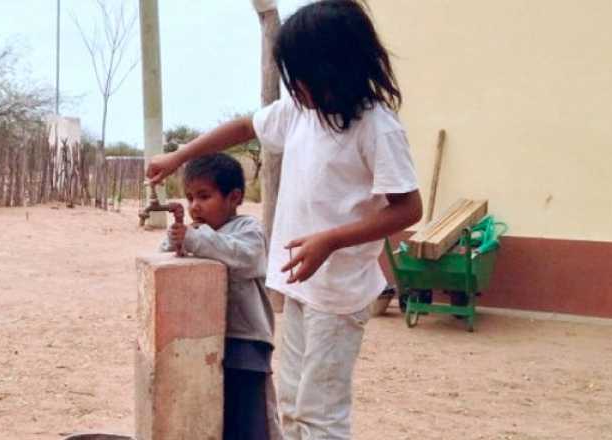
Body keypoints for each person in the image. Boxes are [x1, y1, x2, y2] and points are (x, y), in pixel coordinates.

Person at [148, 1, 423, 438]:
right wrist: (181, 155)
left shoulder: (377, 127)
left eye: (303, 78)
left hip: (339, 293)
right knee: (294, 407)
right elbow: (243, 128)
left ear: (338, 67)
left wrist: (330, 240)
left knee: (320, 414)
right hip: (299, 282)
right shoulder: (300, 113)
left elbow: (408, 208)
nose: (296, 89)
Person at [160, 153, 277, 440]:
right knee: (211, 415)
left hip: (245, 341)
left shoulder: (248, 231)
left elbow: (244, 258)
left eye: (204, 196)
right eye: (190, 198)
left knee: (249, 421)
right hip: (201, 340)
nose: (194, 206)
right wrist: (175, 242)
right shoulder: (194, 233)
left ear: (234, 197)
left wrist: (192, 239)